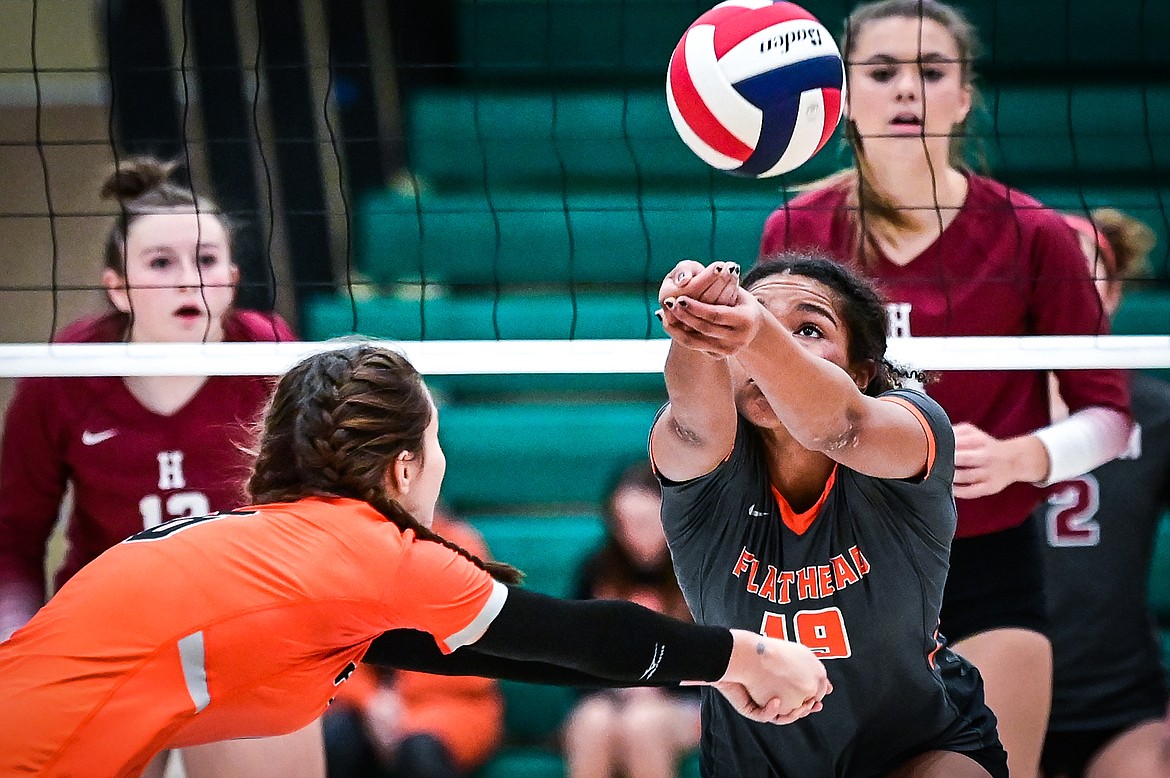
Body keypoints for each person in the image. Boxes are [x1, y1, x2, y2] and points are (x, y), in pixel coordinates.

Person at [0, 344, 833, 776]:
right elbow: (574, 636)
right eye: (436, 447)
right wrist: (750, 653)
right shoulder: (368, 549)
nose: (440, 468)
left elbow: (492, 650)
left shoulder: (285, 550)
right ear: (404, 467)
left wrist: (716, 674)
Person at [758, 2, 1132, 774]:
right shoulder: (797, 230)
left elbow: (1110, 415)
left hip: (986, 560)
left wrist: (1026, 456)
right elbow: (768, 405)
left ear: (964, 95)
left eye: (932, 72)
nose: (908, 92)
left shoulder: (1036, 235)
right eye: (883, 71)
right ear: (843, 96)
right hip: (841, 563)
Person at [0, 157, 324, 778]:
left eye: (205, 261)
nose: (188, 283)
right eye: (160, 263)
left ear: (232, 278)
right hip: (105, 640)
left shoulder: (274, 359)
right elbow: (15, 535)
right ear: (118, 287)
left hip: (240, 635)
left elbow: (315, 512)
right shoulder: (59, 377)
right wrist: (17, 644)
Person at [651, 251, 1006, 777]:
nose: (774, 339)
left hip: (918, 745)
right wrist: (695, 323)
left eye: (809, 329)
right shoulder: (695, 452)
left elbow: (840, 425)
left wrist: (757, 331)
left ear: (862, 372)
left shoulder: (913, 426)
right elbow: (695, 422)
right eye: (758, 319)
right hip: (754, 765)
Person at [1038, 209, 1170, 778]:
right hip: (990, 690)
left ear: (1112, 295)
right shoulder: (960, 408)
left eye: (1082, 275)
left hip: (1122, 704)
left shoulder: (1156, 411)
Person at [323, 509, 504, 778]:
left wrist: (399, 712)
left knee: (419, 752)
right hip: (365, 704)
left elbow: (467, 668)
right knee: (335, 737)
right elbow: (327, 644)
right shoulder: (349, 549)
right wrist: (370, 700)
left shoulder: (460, 546)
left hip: (450, 704)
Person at [562, 460, 701, 778]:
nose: (632, 536)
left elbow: (721, 655)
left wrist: (658, 688)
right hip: (611, 698)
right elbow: (572, 654)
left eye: (644, 523)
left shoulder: (696, 571)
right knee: (591, 723)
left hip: (687, 702)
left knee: (644, 724)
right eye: (624, 524)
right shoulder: (598, 570)